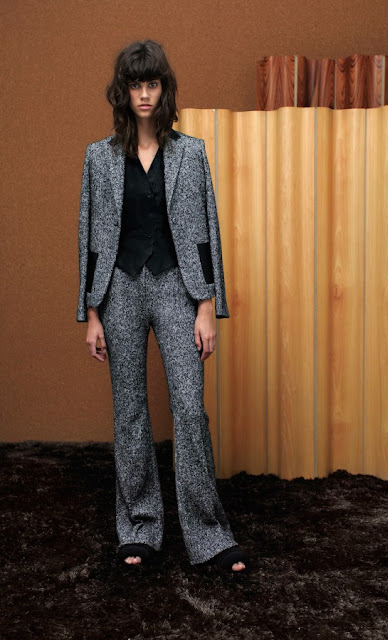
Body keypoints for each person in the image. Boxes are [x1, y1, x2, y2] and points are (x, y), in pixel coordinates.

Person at [76, 40, 250, 573]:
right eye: (136, 85)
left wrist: (206, 306)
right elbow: (89, 240)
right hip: (120, 290)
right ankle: (140, 528)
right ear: (123, 92)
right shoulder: (99, 157)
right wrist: (92, 313)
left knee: (190, 409)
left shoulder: (190, 153)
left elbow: (206, 234)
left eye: (152, 84)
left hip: (177, 288)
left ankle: (208, 535)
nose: (145, 94)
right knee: (129, 412)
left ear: (164, 89)